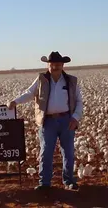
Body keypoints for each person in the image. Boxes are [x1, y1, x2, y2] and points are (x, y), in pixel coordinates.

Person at [8, 51, 84, 191]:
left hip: (67, 120)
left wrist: (75, 117)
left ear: (62, 65)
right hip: (47, 121)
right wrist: (15, 102)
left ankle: (69, 181)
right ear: (48, 65)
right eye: (52, 64)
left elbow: (79, 101)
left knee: (68, 152)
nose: (55, 67)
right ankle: (45, 183)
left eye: (58, 64)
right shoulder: (41, 79)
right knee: (46, 152)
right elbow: (30, 93)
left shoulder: (71, 81)